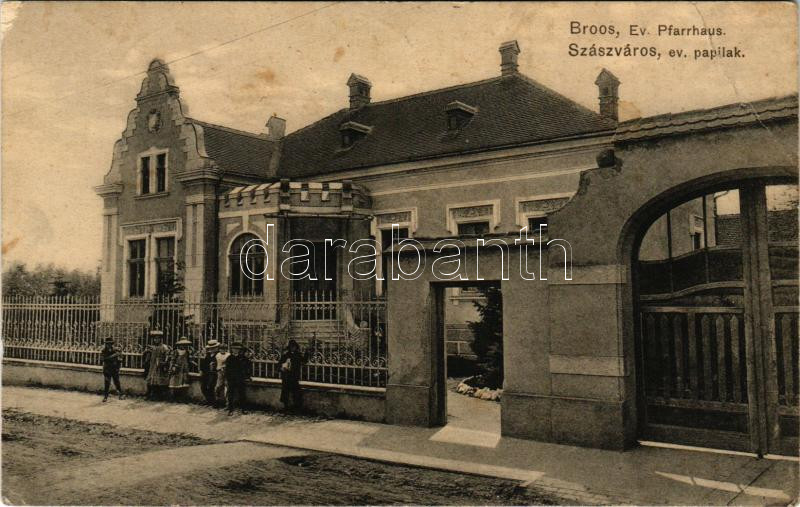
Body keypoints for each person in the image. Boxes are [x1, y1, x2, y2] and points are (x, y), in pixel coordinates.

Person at [279, 339, 309, 412]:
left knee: (296, 392)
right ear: (289, 347)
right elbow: (279, 364)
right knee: (285, 392)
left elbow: (304, 360)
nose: (293, 348)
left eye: (294, 346)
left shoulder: (298, 355)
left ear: (296, 347)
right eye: (291, 347)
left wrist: (307, 352)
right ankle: (286, 406)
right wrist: (282, 368)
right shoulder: (286, 355)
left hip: (294, 376)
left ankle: (296, 407)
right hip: (286, 376)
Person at [224, 342, 251, 414]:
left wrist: (247, 376)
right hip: (231, 379)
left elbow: (248, 367)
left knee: (242, 394)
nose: (235, 350)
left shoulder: (243, 358)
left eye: (237, 349)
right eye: (234, 349)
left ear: (240, 350)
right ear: (232, 349)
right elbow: (227, 369)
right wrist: (227, 378)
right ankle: (231, 410)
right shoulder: (229, 358)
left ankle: (244, 409)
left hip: (240, 378)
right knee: (230, 394)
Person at [145, 330, 171, 400]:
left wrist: (164, 362)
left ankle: (161, 396)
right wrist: (147, 352)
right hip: (152, 365)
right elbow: (147, 357)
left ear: (160, 339)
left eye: (158, 338)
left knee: (160, 380)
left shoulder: (164, 347)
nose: (156, 340)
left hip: (160, 365)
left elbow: (167, 356)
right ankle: (152, 395)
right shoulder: (152, 347)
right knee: (152, 379)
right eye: (155, 338)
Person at [99, 338, 123, 402]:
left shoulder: (115, 350)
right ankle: (105, 397)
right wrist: (113, 356)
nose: (109, 345)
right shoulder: (104, 351)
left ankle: (120, 395)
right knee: (107, 383)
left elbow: (120, 359)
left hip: (114, 369)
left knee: (117, 382)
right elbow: (102, 359)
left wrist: (118, 367)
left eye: (110, 343)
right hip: (107, 369)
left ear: (112, 344)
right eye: (107, 344)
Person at [199, 339, 219, 405]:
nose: (212, 349)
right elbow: (203, 363)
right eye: (211, 348)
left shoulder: (218, 355)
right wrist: (201, 370)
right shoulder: (207, 355)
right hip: (206, 372)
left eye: (214, 348)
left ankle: (213, 401)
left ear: (217, 348)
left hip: (214, 373)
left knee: (211, 387)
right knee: (203, 387)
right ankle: (208, 400)